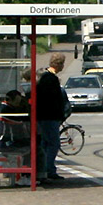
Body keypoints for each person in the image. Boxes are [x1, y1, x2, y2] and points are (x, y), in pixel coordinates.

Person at [35, 54, 69, 182]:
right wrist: (60, 113)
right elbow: (54, 100)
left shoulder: (44, 77)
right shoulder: (51, 79)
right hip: (50, 116)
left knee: (45, 143)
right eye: (62, 63)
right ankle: (49, 169)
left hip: (43, 116)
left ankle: (44, 169)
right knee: (53, 143)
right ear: (58, 64)